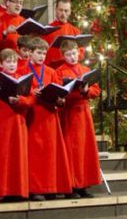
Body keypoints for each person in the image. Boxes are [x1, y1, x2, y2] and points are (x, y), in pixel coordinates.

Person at [25, 37, 73, 201]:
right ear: (29, 53)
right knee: (36, 153)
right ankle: (36, 188)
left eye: (44, 53)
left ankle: (51, 187)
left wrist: (60, 100)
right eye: (38, 53)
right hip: (33, 115)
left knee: (51, 153)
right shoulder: (23, 70)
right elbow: (21, 90)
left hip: (49, 115)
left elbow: (59, 92)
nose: (42, 56)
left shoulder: (51, 72)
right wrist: (33, 93)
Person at [55, 40, 101, 197]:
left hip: (83, 113)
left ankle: (83, 184)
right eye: (68, 55)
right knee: (71, 149)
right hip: (69, 113)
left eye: (74, 53)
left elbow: (96, 91)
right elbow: (59, 92)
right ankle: (71, 185)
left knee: (84, 150)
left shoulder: (85, 69)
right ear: (63, 56)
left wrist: (86, 91)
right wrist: (75, 92)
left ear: (79, 52)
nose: (72, 57)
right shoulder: (60, 71)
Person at [0, 48, 30, 200]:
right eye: (8, 62)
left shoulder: (22, 78)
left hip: (17, 120)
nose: (12, 65)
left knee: (17, 155)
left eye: (14, 62)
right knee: (1, 155)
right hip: (0, 120)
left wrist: (21, 100)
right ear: (1, 64)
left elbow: (30, 99)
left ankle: (16, 191)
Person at [43, 0, 83, 69]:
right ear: (56, 10)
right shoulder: (47, 30)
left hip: (71, 69)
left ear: (70, 12)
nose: (63, 14)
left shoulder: (76, 31)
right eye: (60, 10)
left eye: (66, 11)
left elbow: (80, 54)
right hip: (52, 69)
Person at [0, 0, 25, 66]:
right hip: (0, 64)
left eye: (21, 3)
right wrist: (5, 33)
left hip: (19, 64)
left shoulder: (24, 21)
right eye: (15, 2)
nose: (18, 5)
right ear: (8, 3)